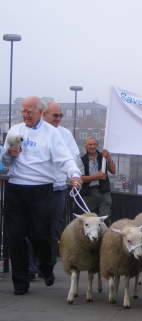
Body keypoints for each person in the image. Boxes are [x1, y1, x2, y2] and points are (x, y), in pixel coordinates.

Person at [2, 96, 82, 295]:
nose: (26, 115)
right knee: (15, 236)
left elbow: (65, 158)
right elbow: (5, 161)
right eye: (23, 111)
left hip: (42, 189)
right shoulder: (16, 130)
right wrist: (11, 154)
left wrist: (74, 176)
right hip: (17, 187)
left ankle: (46, 267)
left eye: (30, 111)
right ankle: (20, 282)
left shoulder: (52, 134)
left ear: (40, 112)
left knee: (41, 235)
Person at [43, 102, 80, 265]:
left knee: (53, 226)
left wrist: (74, 176)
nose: (58, 119)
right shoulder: (34, 132)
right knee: (33, 226)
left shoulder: (65, 134)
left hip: (58, 187)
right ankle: (30, 267)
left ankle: (48, 263)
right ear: (44, 114)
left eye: (60, 116)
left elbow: (72, 158)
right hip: (36, 187)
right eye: (55, 115)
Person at [80, 137, 116, 225]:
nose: (92, 147)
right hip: (88, 194)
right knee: (90, 221)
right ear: (86, 147)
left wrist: (109, 158)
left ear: (97, 145)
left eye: (94, 144)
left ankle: (105, 237)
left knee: (104, 220)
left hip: (103, 192)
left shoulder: (103, 157)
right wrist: (96, 177)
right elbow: (81, 178)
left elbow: (113, 170)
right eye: (90, 144)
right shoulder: (81, 159)